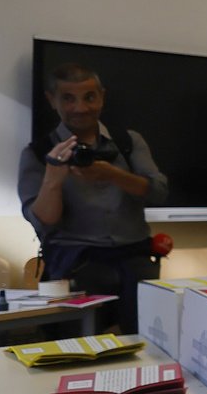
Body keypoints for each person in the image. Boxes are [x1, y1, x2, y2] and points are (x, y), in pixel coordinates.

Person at [18, 62, 169, 334]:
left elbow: (159, 192)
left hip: (135, 265)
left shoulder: (127, 142)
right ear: (52, 100)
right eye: (68, 98)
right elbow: (45, 221)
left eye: (89, 97)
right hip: (76, 269)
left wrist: (113, 175)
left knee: (146, 347)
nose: (80, 108)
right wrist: (53, 177)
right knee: (80, 353)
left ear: (101, 95)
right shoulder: (38, 153)